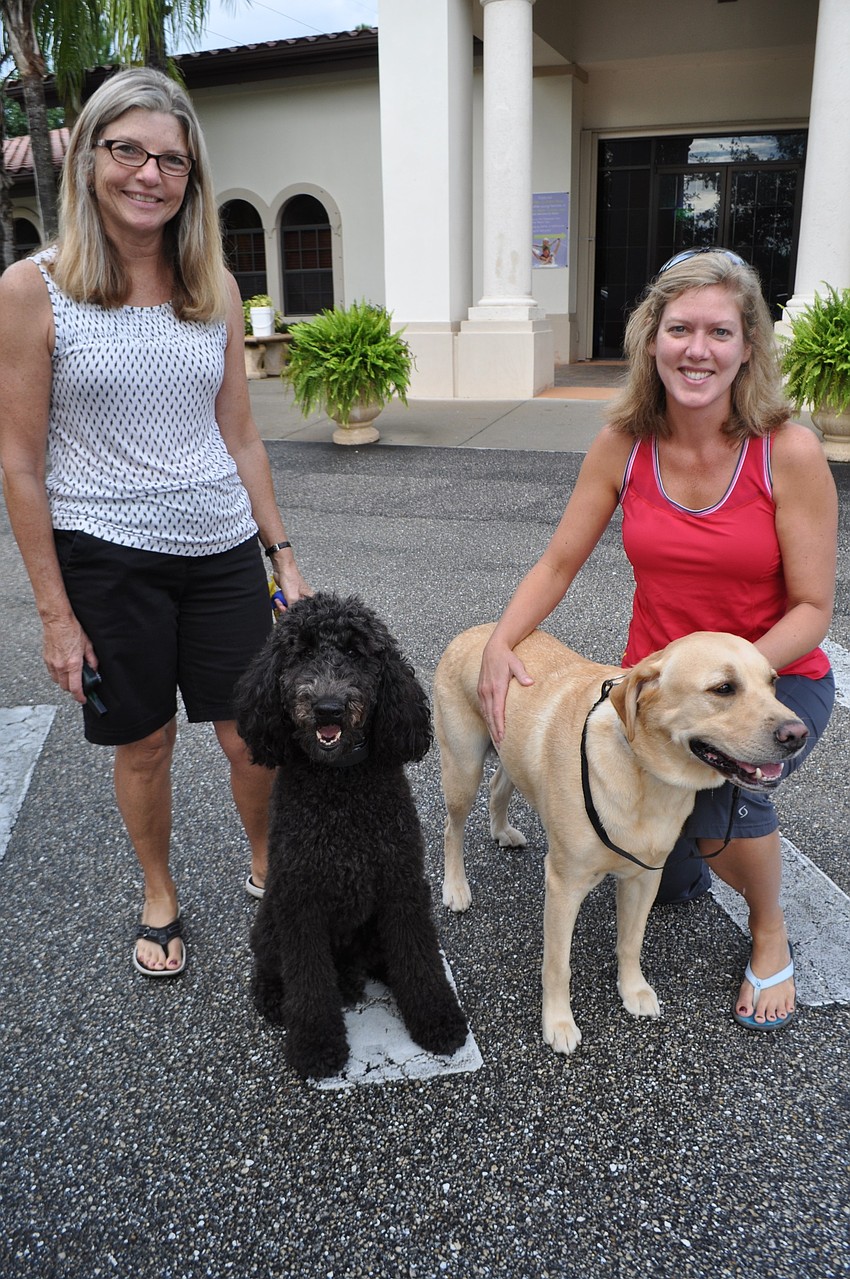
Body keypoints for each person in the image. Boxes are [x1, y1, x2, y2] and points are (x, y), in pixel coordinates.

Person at [0, 68, 311, 977]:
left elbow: (241, 435)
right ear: (91, 159)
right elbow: (19, 463)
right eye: (127, 149)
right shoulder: (35, 288)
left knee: (252, 732)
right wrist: (55, 613)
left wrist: (281, 555)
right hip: (105, 558)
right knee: (144, 740)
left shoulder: (208, 281)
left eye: (171, 159)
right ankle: (160, 891)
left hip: (220, 548)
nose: (149, 173)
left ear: (191, 178)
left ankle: (265, 862)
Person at [477, 247, 837, 1031]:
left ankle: (768, 930)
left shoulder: (790, 452)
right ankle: (685, 850)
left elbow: (813, 607)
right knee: (657, 871)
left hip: (774, 676)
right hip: (655, 686)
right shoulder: (624, 444)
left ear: (748, 347)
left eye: (719, 330)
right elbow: (559, 559)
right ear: (652, 339)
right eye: (679, 328)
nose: (697, 349)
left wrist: (734, 680)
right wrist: (502, 644)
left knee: (718, 804)